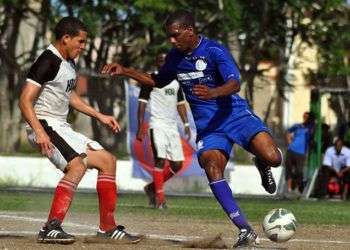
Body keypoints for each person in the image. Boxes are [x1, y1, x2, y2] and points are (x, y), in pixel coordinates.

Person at [102, 10, 282, 248]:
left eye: (175, 35)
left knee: (274, 158)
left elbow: (235, 82)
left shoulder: (214, 51)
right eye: (169, 36)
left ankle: (262, 162)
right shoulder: (175, 58)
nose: (172, 41)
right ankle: (245, 230)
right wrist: (125, 70)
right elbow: (157, 80)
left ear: (189, 30)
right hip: (210, 128)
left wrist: (213, 92)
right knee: (211, 166)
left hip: (236, 116)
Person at [19, 17, 140, 244]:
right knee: (77, 166)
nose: (83, 47)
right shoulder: (47, 61)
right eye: (81, 41)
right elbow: (25, 101)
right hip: (43, 123)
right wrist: (40, 131)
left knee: (107, 161)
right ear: (66, 38)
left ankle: (107, 229)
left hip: (60, 126)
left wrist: (99, 116)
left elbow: (70, 96)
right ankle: (50, 228)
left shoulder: (68, 62)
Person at [137, 53, 191, 209]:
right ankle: (160, 200)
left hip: (172, 127)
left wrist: (186, 124)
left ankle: (152, 187)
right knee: (160, 160)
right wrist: (141, 125)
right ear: (156, 62)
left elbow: (180, 103)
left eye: (165, 60)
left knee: (177, 165)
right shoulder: (150, 80)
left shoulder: (176, 81)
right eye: (159, 60)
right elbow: (141, 104)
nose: (162, 63)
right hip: (157, 125)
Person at [285, 112, 315, 196]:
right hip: (291, 150)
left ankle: (298, 189)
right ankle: (289, 189)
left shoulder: (310, 128)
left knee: (299, 171)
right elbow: (288, 132)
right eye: (304, 117)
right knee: (289, 170)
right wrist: (289, 142)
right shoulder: (297, 126)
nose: (306, 119)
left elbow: (311, 137)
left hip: (301, 153)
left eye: (307, 117)